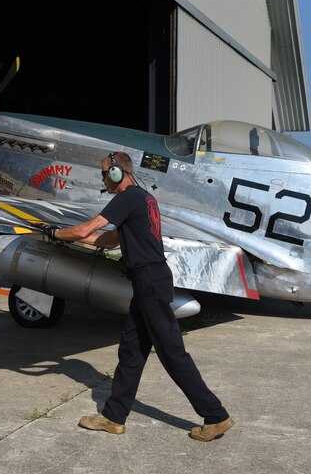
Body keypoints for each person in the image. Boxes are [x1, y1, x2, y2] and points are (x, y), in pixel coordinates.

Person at [44, 151, 233, 442]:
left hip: (150, 282)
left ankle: (215, 415)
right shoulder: (144, 199)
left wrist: (56, 233)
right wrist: (76, 239)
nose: (102, 178)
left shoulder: (126, 198)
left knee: (172, 353)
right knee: (132, 350)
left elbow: (86, 228)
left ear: (117, 173)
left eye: (104, 173)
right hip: (148, 281)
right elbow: (107, 239)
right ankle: (113, 417)